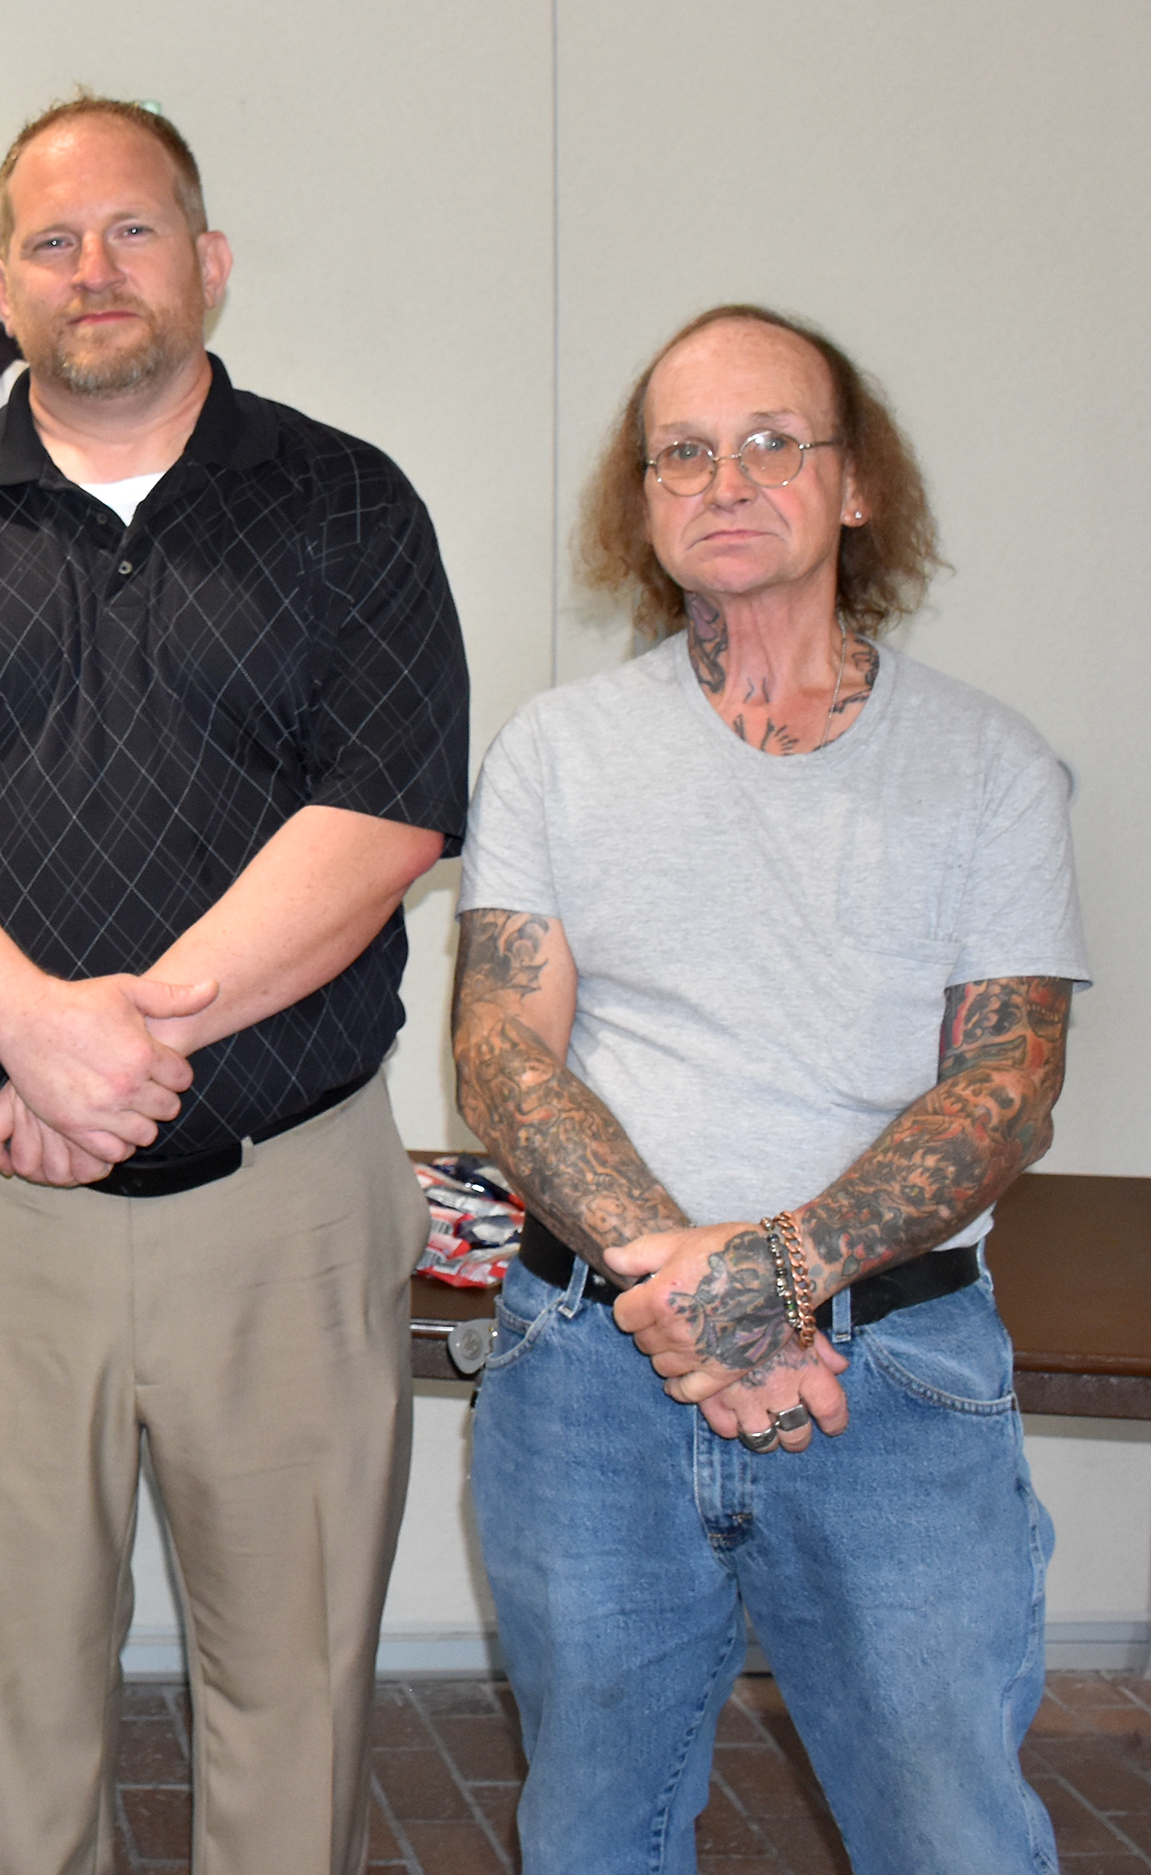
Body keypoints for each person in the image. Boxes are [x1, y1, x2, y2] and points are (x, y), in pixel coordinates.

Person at [0, 95, 470, 1875]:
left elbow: (385, 816)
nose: (96, 270)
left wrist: (115, 1044)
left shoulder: (347, 503)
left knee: (293, 1690)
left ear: (211, 262)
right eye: (53, 240)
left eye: (136, 230)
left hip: (291, 1199)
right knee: (4, 1700)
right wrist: (31, 1025)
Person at [452, 304, 1084, 1875]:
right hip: (592, 1375)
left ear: (854, 484)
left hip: (898, 1375)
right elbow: (500, 1051)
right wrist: (694, 1293)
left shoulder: (992, 767)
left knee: (955, 1840)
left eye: (769, 441)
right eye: (683, 451)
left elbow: (1007, 1087)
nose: (724, 477)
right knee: (595, 1834)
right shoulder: (556, 751)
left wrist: (775, 1273)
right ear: (645, 498)